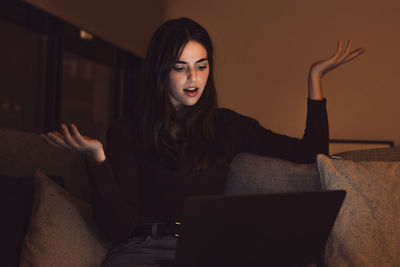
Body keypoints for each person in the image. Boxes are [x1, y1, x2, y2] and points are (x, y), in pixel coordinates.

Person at [41, 17, 365, 266]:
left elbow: (311, 153)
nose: (193, 79)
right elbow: (118, 228)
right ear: (160, 72)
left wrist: (315, 78)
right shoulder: (127, 132)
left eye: (201, 66)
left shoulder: (228, 126)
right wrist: (97, 157)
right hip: (139, 252)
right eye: (180, 68)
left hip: (203, 252)